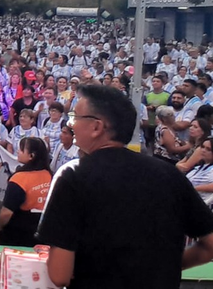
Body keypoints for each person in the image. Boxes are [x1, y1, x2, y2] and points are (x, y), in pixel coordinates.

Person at [38, 85, 213, 289]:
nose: (71, 124)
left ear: (96, 127)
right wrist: (167, 266)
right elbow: (210, 245)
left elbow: (59, 275)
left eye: (75, 117)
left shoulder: (73, 176)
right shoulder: (169, 174)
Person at [0, 137, 51, 247]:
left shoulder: (19, 179)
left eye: (21, 149)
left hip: (20, 235)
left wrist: (0, 227)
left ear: (32, 155)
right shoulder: (50, 175)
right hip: (45, 232)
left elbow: (6, 213)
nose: (18, 151)